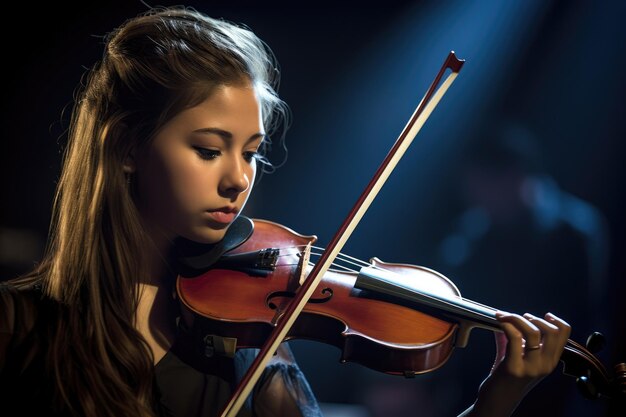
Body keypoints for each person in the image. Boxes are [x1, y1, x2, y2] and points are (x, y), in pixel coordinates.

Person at [0, 6, 571, 417]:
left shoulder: (240, 338)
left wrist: (496, 401)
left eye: (250, 152)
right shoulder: (18, 327)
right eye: (208, 149)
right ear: (126, 146)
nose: (238, 178)